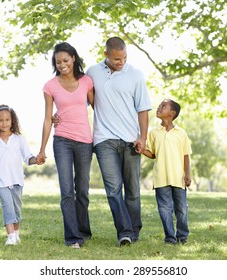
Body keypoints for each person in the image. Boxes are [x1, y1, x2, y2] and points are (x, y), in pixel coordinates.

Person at [87, 37, 152, 246]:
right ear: (106, 54)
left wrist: (142, 137)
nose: (121, 62)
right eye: (116, 59)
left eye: (124, 58)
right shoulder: (92, 72)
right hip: (104, 139)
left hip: (130, 140)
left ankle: (134, 230)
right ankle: (124, 232)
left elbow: (143, 109)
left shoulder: (135, 75)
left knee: (132, 190)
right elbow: (82, 97)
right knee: (113, 189)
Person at [37, 42, 94, 249]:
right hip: (62, 140)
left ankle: (84, 231)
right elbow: (47, 118)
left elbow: (99, 109)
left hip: (85, 142)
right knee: (67, 190)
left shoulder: (86, 81)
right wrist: (42, 149)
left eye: (65, 60)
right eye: (58, 62)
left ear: (73, 59)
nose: (62, 64)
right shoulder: (50, 86)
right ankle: (73, 238)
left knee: (83, 189)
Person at [0, 104, 38, 246]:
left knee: (16, 210)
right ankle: (10, 236)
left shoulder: (19, 139)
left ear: (12, 121)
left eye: (7, 120)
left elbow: (28, 158)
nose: (4, 123)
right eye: (1, 120)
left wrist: (37, 160)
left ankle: (16, 234)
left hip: (17, 181)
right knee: (7, 207)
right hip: (1, 182)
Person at [142, 99, 192, 245]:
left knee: (181, 209)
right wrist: (142, 150)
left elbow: (185, 155)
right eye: (159, 105)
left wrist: (187, 174)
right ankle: (170, 238)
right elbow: (152, 154)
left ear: (172, 113)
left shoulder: (181, 133)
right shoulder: (154, 133)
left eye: (163, 106)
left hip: (178, 178)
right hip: (161, 177)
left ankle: (182, 236)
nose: (159, 107)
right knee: (164, 209)